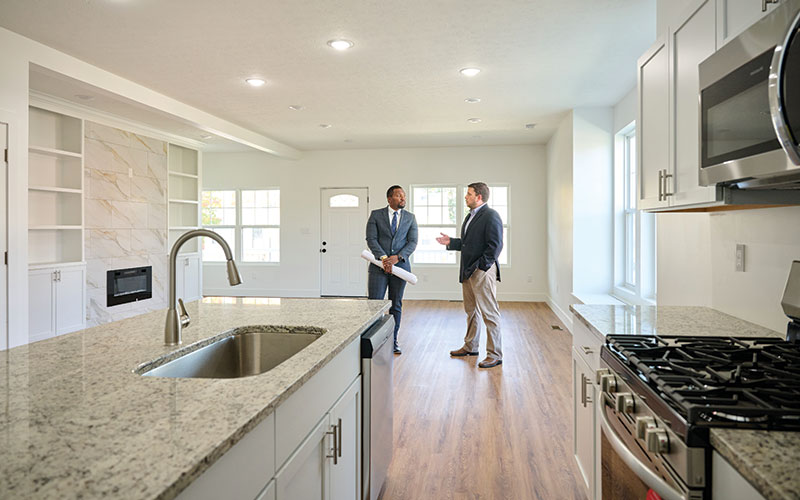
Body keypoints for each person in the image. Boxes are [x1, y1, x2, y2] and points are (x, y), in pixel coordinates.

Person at [435, 182, 503, 368]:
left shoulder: (491, 215)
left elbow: (495, 245)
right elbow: (468, 243)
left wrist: (482, 267)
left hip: (481, 271)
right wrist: (452, 242)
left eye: (469, 194)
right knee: (471, 311)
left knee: (489, 313)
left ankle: (495, 354)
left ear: (479, 197)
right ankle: (471, 346)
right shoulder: (470, 216)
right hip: (467, 271)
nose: (466, 196)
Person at [366, 185, 418, 354]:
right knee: (375, 305)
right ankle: (373, 341)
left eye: (404, 196)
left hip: (400, 267)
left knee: (396, 304)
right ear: (389, 199)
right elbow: (371, 239)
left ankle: (393, 340)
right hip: (378, 267)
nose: (403, 198)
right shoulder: (376, 215)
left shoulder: (410, 218)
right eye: (399, 196)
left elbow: (412, 242)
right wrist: (383, 259)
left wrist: (397, 258)